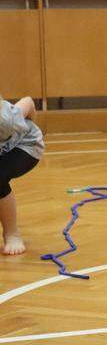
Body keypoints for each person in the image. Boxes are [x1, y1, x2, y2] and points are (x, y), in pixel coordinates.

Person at [0, 95, 44, 256]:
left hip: (27, 145)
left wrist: (29, 124)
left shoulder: (5, 120)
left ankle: (12, 234)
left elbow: (28, 102)